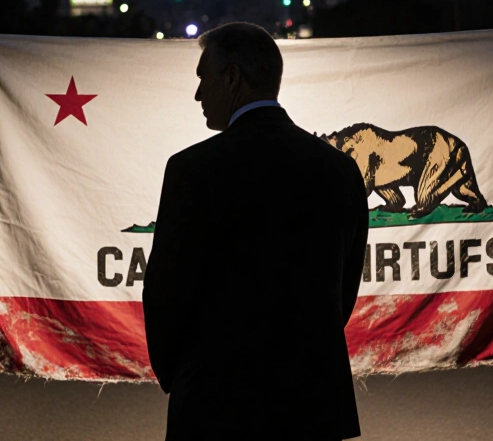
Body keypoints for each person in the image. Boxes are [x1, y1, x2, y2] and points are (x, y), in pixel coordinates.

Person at [142, 22, 370, 441]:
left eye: (201, 79)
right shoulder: (340, 168)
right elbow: (343, 291)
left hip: (216, 402)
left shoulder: (192, 170)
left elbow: (165, 295)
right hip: (314, 401)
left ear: (232, 77)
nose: (197, 94)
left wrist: (184, 374)